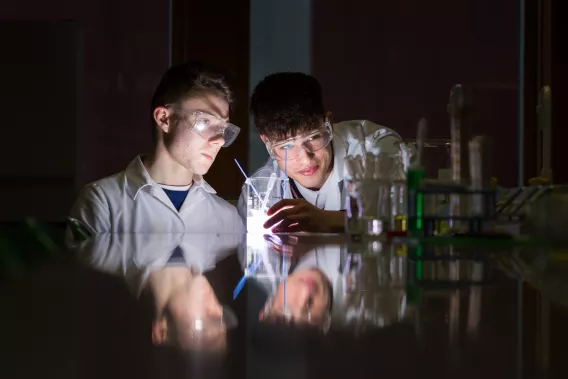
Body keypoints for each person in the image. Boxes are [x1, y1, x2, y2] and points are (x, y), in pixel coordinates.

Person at [68, 62, 245, 236]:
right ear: (164, 119)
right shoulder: (103, 203)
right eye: (205, 122)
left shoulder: (226, 218)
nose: (220, 140)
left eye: (223, 129)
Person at [237, 72, 404, 233]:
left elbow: (410, 220)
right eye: (286, 146)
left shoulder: (378, 149)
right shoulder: (259, 191)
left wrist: (333, 220)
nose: (305, 158)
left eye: (313, 137)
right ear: (267, 142)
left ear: (329, 122)